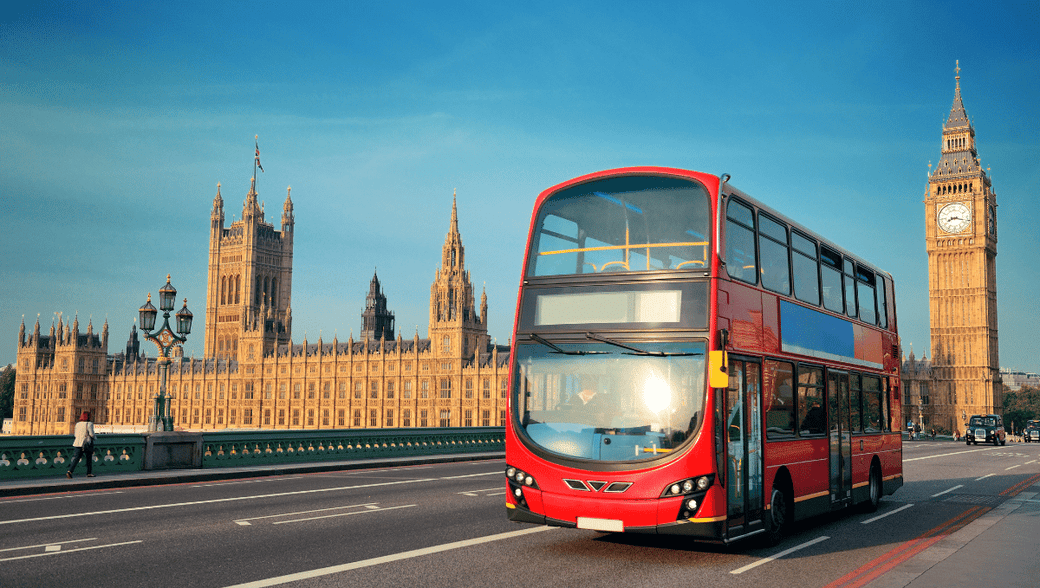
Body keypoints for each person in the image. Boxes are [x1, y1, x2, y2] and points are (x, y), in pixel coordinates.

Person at [66, 411, 96, 478]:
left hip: (77, 443)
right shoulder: (89, 424)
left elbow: (75, 434)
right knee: (89, 458)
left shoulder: (77, 424)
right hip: (86, 444)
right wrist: (95, 438)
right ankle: (89, 473)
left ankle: (70, 471)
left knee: (76, 458)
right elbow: (91, 434)